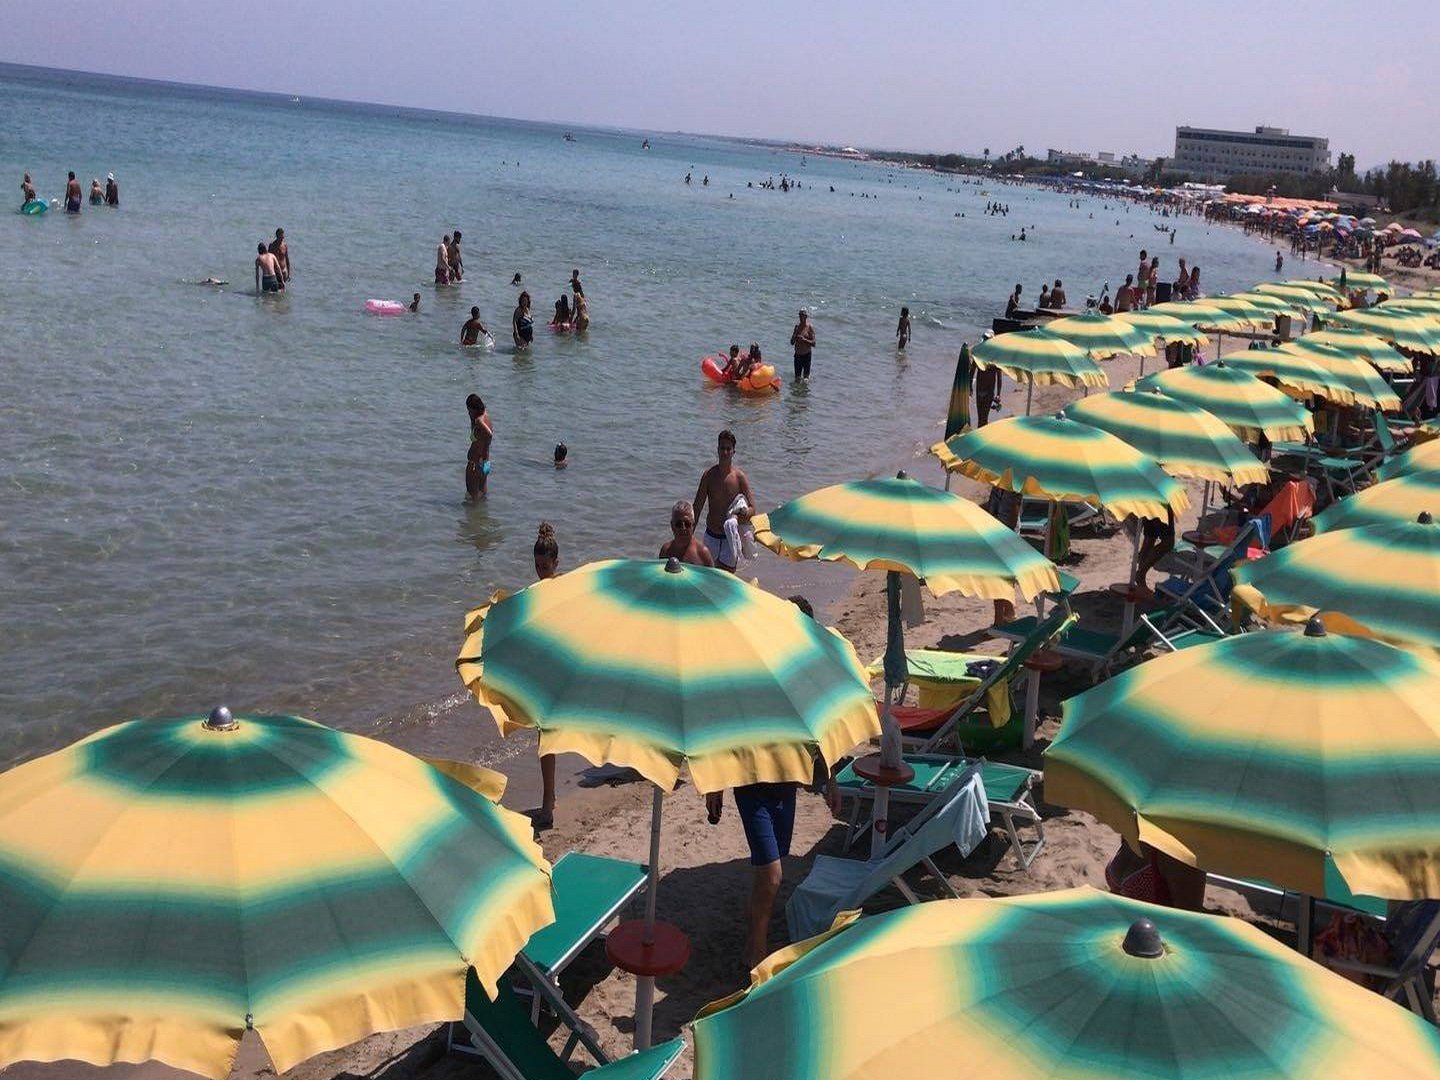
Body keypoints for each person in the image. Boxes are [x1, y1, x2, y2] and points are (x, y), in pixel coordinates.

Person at [706, 595, 839, 967]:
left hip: (786, 787)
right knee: (774, 873)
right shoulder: (754, 672)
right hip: (752, 786)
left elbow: (820, 731)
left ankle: (754, 922)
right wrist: (715, 783)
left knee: (770, 868)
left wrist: (830, 781)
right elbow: (727, 725)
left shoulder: (805, 676)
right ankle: (757, 954)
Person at [530, 522, 561, 829]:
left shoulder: (563, 591)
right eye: (537, 566)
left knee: (547, 737)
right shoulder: (535, 592)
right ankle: (548, 796)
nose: (540, 572)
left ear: (556, 563)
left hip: (559, 671)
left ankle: (548, 802)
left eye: (545, 566)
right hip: (545, 671)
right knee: (546, 737)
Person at [693, 429, 756, 572]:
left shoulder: (739, 478)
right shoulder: (709, 476)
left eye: (728, 449)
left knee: (727, 578)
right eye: (722, 448)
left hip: (730, 538)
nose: (725, 452)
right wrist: (688, 538)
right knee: (707, 576)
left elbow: (753, 509)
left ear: (734, 452)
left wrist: (740, 515)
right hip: (711, 536)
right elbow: (696, 508)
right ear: (717, 449)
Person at [1132, 508, 1175, 596]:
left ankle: (1141, 579)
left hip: (1149, 503)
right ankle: (1141, 574)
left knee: (1150, 537)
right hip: (1159, 505)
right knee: (1168, 542)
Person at [658, 500, 715, 565]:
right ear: (672, 526)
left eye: (687, 524)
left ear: (693, 525)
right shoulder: (665, 551)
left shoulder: (702, 553)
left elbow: (711, 572)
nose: (683, 528)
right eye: (679, 524)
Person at [465, 393, 492, 500]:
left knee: (472, 497)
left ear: (474, 409)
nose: (468, 413)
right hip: (484, 463)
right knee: (482, 495)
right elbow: (485, 437)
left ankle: (473, 511)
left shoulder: (479, 421)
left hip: (474, 464)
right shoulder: (486, 416)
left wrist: (484, 450)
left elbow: (489, 434)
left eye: (469, 410)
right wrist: (485, 455)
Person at [974, 331, 1001, 426]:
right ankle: (980, 432)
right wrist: (969, 387)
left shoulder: (995, 357)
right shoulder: (978, 354)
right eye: (985, 339)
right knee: (980, 418)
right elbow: (972, 371)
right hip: (979, 390)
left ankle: (982, 432)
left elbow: (999, 377)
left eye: (987, 339)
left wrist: (998, 394)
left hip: (989, 391)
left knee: (984, 418)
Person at [790, 310, 815, 381]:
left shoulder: (809, 327)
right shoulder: (797, 327)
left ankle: (805, 388)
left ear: (806, 317)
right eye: (800, 315)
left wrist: (804, 340)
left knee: (806, 378)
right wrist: (795, 335)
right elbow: (792, 342)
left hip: (807, 355)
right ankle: (797, 388)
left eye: (802, 316)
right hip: (798, 355)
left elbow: (814, 343)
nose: (801, 317)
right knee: (797, 378)